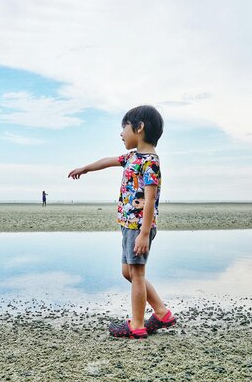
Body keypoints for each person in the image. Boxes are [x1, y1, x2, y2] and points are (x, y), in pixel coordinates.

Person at [68, 105, 176, 339]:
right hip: (129, 225)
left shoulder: (150, 162)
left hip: (139, 226)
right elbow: (108, 161)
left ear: (139, 127)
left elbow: (150, 200)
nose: (121, 133)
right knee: (128, 272)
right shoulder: (132, 157)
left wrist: (144, 233)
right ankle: (161, 313)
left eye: (124, 127)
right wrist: (85, 169)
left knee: (136, 273)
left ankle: (137, 324)